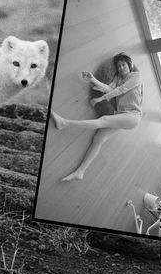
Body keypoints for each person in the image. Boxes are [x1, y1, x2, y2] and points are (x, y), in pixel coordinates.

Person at [50, 53, 143, 181]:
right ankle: (80, 172)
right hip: (121, 115)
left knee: (103, 121)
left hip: (133, 116)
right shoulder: (117, 77)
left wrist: (100, 99)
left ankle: (64, 122)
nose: (121, 68)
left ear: (129, 65)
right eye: (119, 66)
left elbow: (122, 90)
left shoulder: (136, 76)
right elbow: (109, 88)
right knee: (99, 138)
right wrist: (93, 79)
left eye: (124, 64)